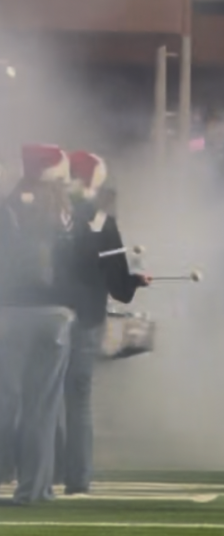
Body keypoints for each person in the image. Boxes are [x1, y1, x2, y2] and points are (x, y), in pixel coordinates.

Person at [50, 150, 150, 496]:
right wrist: (136, 281)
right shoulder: (103, 219)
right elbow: (119, 286)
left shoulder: (51, 215)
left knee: (42, 397)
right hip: (87, 318)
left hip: (48, 315)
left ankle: (43, 469)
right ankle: (77, 478)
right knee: (77, 399)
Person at [0, 144, 81, 504]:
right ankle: (34, 489)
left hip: (9, 313)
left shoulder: (8, 207)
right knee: (42, 407)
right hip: (54, 314)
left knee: (7, 401)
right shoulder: (64, 212)